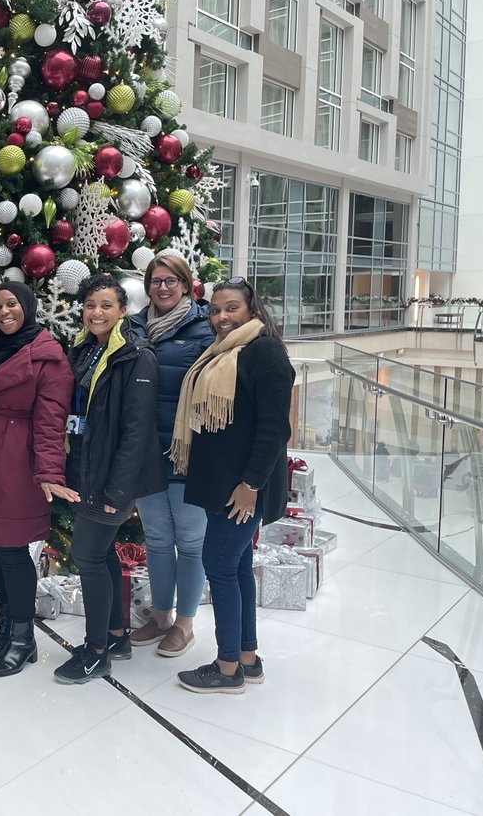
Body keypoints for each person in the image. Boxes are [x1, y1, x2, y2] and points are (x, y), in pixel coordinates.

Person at [169, 277, 294, 693]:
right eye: (216, 309)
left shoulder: (266, 351)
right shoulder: (222, 352)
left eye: (231, 308)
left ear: (252, 310)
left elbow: (276, 429)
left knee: (219, 565)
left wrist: (251, 484)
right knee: (236, 565)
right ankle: (246, 657)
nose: (221, 317)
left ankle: (227, 670)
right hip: (219, 483)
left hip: (241, 488)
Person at [0, 282, 73, 677]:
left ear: (27, 307)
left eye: (13, 305)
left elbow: (51, 421)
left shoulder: (48, 358)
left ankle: (24, 637)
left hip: (17, 461)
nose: (6, 312)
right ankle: (8, 622)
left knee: (12, 548)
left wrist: (47, 472)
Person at [53, 276, 165, 684]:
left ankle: (96, 651)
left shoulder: (136, 358)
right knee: (100, 556)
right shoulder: (83, 351)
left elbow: (137, 434)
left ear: (122, 311)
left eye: (105, 305)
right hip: (83, 472)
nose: (95, 312)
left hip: (109, 482)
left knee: (86, 557)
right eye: (89, 305)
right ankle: (117, 636)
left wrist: (119, 491)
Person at [127, 252, 214, 656]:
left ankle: (185, 624)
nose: (163, 287)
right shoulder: (133, 327)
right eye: (156, 281)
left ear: (186, 284)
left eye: (171, 281)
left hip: (188, 450)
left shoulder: (204, 326)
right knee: (158, 539)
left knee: (191, 541)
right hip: (145, 451)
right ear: (148, 286)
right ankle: (160, 615)